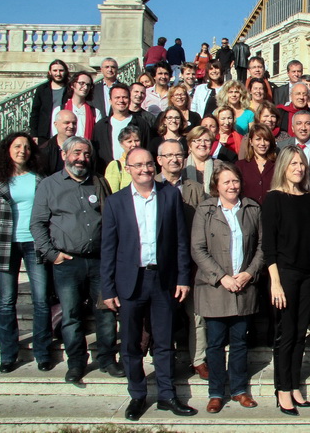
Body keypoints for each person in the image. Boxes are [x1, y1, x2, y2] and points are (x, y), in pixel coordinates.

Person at [101, 147, 196, 421]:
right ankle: (138, 395)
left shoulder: (169, 196)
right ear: (127, 168)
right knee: (130, 343)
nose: (144, 169)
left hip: (163, 279)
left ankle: (167, 394)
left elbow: (180, 240)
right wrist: (107, 288)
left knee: (165, 341)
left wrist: (182, 277)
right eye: (137, 165)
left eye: (148, 164)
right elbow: (109, 248)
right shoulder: (117, 202)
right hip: (130, 281)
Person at [30, 136, 122, 384]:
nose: (82, 158)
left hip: (100, 261)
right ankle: (76, 363)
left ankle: (106, 359)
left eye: (87, 154)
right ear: (64, 155)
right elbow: (37, 224)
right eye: (77, 153)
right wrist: (52, 254)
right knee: (71, 315)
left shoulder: (98, 182)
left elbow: (112, 218)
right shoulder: (49, 185)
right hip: (67, 262)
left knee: (106, 312)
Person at [190, 161, 264, 414]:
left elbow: (262, 247)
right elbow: (197, 248)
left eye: (235, 181)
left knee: (240, 343)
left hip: (244, 286)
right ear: (216, 186)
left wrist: (249, 273)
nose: (232, 186)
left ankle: (240, 390)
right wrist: (221, 277)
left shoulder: (252, 208)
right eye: (226, 182)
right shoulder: (206, 210)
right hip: (215, 288)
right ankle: (216, 392)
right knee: (215, 343)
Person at [0, 133, 52, 373]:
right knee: (6, 301)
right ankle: (8, 355)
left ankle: (43, 353)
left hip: (34, 242)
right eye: (17, 146)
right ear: (8, 150)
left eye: (26, 147)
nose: (22, 150)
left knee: (41, 300)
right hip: (5, 244)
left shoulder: (40, 179)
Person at [261, 146, 310, 415]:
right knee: (285, 335)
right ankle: (282, 389)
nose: (298, 168)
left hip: (308, 275)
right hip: (283, 274)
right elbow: (268, 246)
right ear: (283, 166)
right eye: (293, 163)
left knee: (300, 334)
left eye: (302, 163)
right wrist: (275, 282)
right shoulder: (274, 199)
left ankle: (295, 385)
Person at [155, 139, 209, 380]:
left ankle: (198, 360)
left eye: (178, 155)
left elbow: (205, 224)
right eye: (168, 155)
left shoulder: (195, 188)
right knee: (163, 315)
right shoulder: (151, 184)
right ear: (159, 160)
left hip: (191, 260)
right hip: (161, 262)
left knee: (196, 314)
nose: (174, 159)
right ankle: (164, 360)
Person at [92, 83, 151, 174]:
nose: (121, 100)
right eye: (117, 97)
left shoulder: (141, 124)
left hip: (135, 174)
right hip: (108, 174)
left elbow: (147, 149)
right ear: (110, 101)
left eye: (125, 97)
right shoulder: (101, 126)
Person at [52, 71, 102, 140]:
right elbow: (55, 135)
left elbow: (98, 136)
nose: (85, 87)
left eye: (88, 85)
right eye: (81, 83)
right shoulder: (59, 110)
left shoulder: (95, 112)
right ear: (72, 85)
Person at [236, 123, 277, 205]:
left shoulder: (278, 165)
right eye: (258, 139)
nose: (262, 143)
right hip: (249, 213)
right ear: (251, 142)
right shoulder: (240, 165)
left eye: (266, 139)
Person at [29, 59, 69, 144]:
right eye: (55, 70)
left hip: (66, 131)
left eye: (61, 70)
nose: (58, 74)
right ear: (49, 72)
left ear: (65, 72)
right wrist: (34, 134)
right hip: (44, 133)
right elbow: (35, 113)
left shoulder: (70, 89)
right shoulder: (42, 89)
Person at [104, 125, 141, 192]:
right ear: (121, 144)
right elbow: (112, 193)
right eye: (129, 141)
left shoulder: (147, 163)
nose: (134, 144)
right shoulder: (116, 165)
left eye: (137, 140)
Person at [39, 110, 77, 175]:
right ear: (56, 124)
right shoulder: (45, 150)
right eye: (67, 123)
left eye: (74, 123)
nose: (71, 126)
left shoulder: (84, 147)